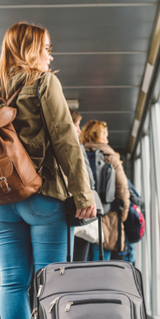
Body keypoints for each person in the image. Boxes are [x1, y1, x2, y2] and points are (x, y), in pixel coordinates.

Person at [0, 22, 96, 319]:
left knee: (12, 282)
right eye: (46, 48)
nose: (50, 56)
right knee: (49, 283)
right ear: (30, 50)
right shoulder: (44, 83)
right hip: (41, 196)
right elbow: (65, 141)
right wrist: (83, 195)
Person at [81, 121, 130, 261]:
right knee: (101, 265)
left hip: (82, 218)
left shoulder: (79, 153)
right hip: (107, 219)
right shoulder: (111, 156)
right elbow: (122, 190)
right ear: (98, 136)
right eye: (105, 136)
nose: (107, 140)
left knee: (79, 265)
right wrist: (122, 216)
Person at [69, 108, 98, 262]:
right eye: (77, 125)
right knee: (76, 267)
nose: (79, 131)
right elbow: (89, 181)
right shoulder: (75, 147)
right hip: (76, 214)